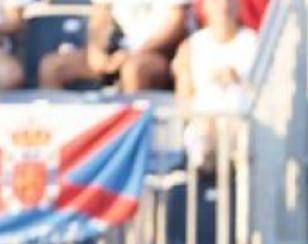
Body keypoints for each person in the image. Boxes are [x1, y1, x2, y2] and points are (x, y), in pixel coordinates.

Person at [173, 0, 257, 168]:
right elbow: (183, 98)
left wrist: (238, 79)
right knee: (204, 131)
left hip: (242, 128)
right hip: (203, 129)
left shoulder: (253, 43)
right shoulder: (191, 46)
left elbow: (263, 96)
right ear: (205, 7)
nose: (223, 6)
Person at [39, 0, 190, 92]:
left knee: (134, 69)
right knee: (52, 67)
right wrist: (96, 51)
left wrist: (137, 53)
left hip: (159, 53)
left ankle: (129, 137)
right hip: (118, 50)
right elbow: (101, 16)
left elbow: (176, 23)